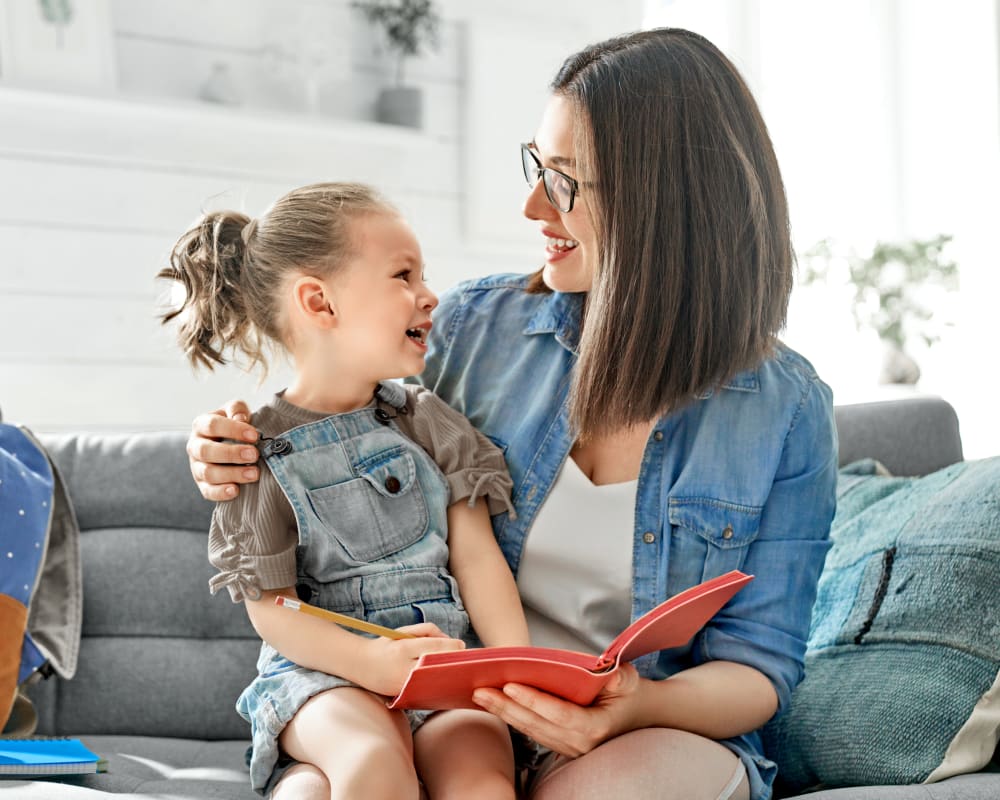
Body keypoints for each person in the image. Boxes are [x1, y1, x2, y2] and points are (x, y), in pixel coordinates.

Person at [185, 28, 838, 800]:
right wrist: (228, 448)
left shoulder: (785, 409)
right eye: (536, 166)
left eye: (563, 181)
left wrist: (635, 707)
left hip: (632, 732)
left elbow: (760, 666)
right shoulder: (475, 329)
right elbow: (343, 415)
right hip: (450, 705)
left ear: (662, 201)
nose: (532, 205)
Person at [158, 182, 531, 799]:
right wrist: (368, 665)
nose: (429, 295)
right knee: (371, 763)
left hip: (440, 668)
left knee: (483, 781)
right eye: (403, 275)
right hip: (324, 677)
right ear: (320, 302)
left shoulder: (431, 422)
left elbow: (476, 556)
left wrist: (517, 667)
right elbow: (272, 608)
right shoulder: (253, 452)